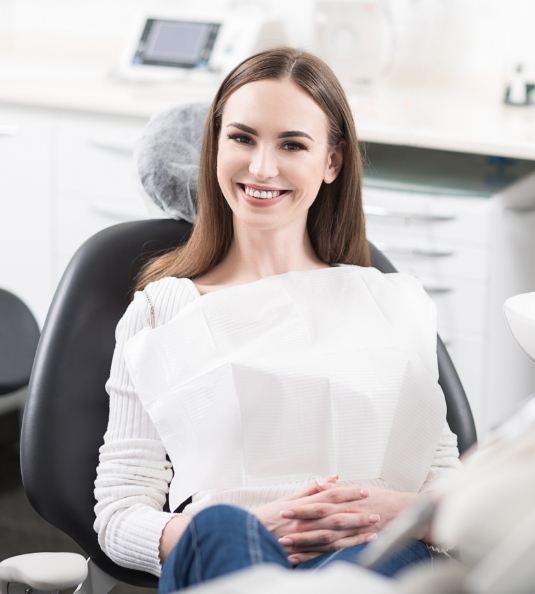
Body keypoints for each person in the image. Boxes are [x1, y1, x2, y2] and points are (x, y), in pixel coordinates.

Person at [93, 46, 461, 593]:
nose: (261, 168)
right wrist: (251, 527)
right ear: (215, 145)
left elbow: (452, 490)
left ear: (331, 163)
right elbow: (119, 514)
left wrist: (390, 511)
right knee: (219, 528)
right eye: (242, 138)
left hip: (371, 551)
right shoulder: (160, 311)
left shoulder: (394, 304)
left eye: (292, 144)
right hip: (226, 553)